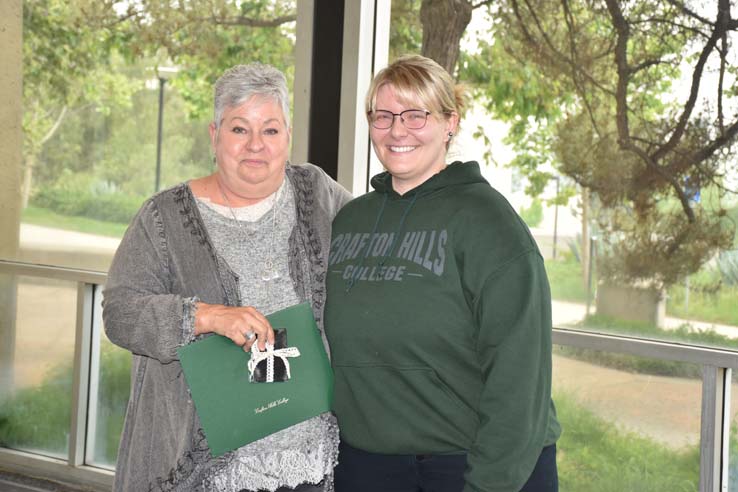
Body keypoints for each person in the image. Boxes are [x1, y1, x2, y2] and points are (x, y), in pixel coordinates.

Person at [103, 63, 351, 492]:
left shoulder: (319, 195)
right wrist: (205, 317)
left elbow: (381, 240)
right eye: (240, 129)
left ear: (288, 136)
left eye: (271, 130)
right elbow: (120, 313)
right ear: (214, 135)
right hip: (205, 472)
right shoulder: (163, 218)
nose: (256, 145)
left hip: (313, 465)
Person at [324, 54, 561, 492]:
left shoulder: (489, 223)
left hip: (474, 465)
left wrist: (489, 483)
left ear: (450, 122)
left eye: (417, 115)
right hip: (368, 466)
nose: (398, 130)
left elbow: (520, 378)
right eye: (384, 116)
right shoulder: (350, 220)